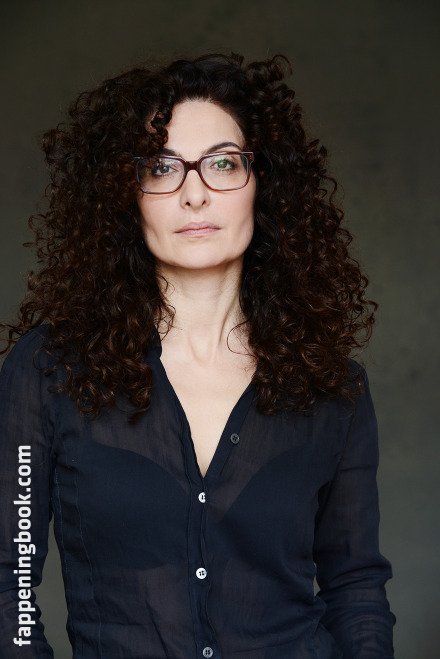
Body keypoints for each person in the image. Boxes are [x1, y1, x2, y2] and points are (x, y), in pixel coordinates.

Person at [0, 51, 396, 658]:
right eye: (161, 168)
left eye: (223, 163)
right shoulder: (49, 368)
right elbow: (10, 579)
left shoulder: (333, 386)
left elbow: (356, 588)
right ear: (125, 195)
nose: (194, 195)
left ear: (263, 186)